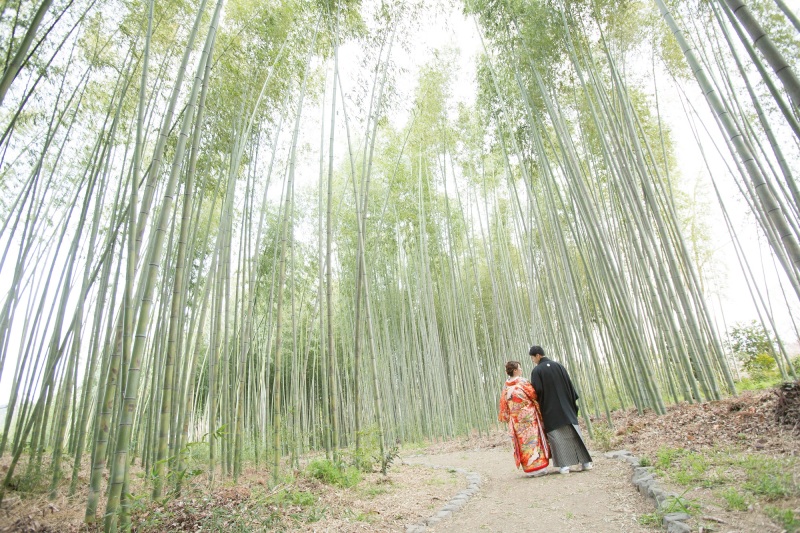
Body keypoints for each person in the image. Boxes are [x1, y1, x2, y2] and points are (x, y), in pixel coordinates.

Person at [529, 345, 592, 474]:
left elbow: (537, 391)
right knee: (575, 434)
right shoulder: (559, 366)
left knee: (557, 437)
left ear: (538, 355)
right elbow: (570, 385)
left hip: (550, 409)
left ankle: (564, 466)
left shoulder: (537, 371)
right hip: (567, 406)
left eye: (532, 358)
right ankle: (586, 463)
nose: (533, 360)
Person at [498, 360, 550, 476]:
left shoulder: (506, 387)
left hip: (516, 420)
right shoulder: (523, 382)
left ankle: (529, 469)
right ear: (515, 370)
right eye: (519, 368)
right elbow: (534, 395)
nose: (521, 370)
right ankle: (539, 468)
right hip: (529, 417)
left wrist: (508, 416)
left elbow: (503, 404)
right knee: (534, 440)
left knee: (523, 443)